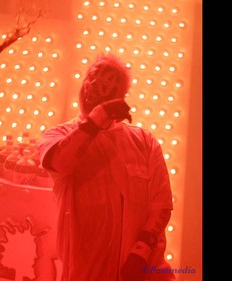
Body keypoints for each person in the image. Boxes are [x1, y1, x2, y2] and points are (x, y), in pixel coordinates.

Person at [37, 53, 176, 281]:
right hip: (87, 273)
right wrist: (95, 121)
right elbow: (61, 163)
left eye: (107, 86)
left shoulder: (144, 142)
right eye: (92, 79)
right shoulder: (60, 135)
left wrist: (139, 254)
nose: (93, 88)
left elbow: (162, 205)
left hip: (145, 271)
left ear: (120, 97)